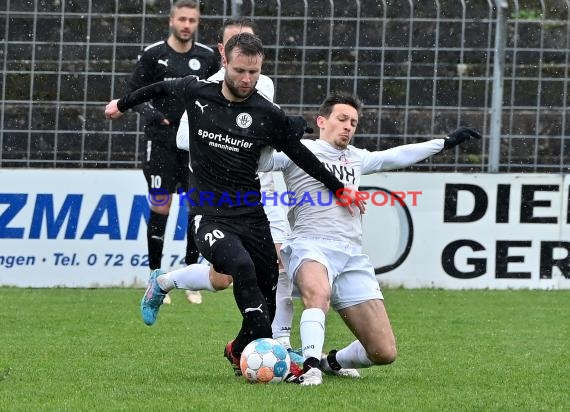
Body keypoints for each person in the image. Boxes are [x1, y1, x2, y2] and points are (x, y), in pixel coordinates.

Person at [104, 33, 363, 377]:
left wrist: (338, 187)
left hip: (251, 214)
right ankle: (267, 347)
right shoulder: (198, 92)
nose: (246, 80)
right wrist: (122, 105)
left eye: (254, 73)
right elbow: (158, 88)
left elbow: (300, 155)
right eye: (240, 70)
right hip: (209, 213)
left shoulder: (266, 113)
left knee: (269, 288)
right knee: (240, 268)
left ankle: (240, 350)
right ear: (225, 61)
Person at [257, 92, 481, 385]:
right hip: (309, 244)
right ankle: (308, 368)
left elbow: (397, 155)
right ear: (322, 121)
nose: (348, 126)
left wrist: (445, 143)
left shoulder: (357, 158)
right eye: (342, 119)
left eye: (353, 122)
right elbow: (261, 163)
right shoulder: (298, 151)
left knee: (383, 351)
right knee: (318, 295)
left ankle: (329, 362)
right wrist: (270, 133)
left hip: (351, 255)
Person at [174, 17, 296, 354]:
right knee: (223, 277)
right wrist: (226, 145)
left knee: (278, 261)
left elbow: (269, 132)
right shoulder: (204, 89)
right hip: (224, 195)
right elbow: (184, 137)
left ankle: (278, 341)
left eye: (251, 42)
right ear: (224, 53)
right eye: (237, 43)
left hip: (265, 187)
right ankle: (168, 280)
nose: (247, 69)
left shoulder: (264, 84)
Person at [127, 0, 219, 300]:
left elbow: (218, 94)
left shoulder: (206, 57)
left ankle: (190, 276)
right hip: (161, 145)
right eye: (182, 19)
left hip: (194, 145)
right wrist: (155, 115)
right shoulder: (154, 55)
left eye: (192, 20)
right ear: (171, 20)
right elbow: (132, 95)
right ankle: (155, 277)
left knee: (195, 209)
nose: (186, 25)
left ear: (198, 22)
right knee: (161, 206)